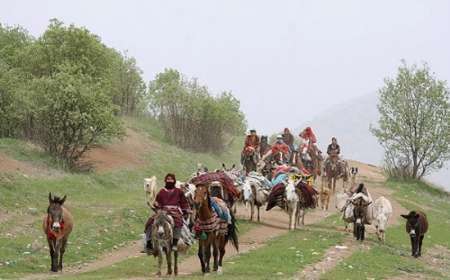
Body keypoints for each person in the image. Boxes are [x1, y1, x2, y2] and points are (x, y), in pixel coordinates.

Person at [144, 173, 190, 252]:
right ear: (165, 180)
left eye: (171, 179)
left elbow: (184, 203)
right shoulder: (162, 191)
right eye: (168, 179)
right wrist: (156, 205)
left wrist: (186, 210)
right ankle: (149, 243)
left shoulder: (179, 191)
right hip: (163, 211)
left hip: (175, 211)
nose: (170, 181)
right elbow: (158, 202)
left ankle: (175, 243)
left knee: (178, 221)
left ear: (174, 181)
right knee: (150, 221)